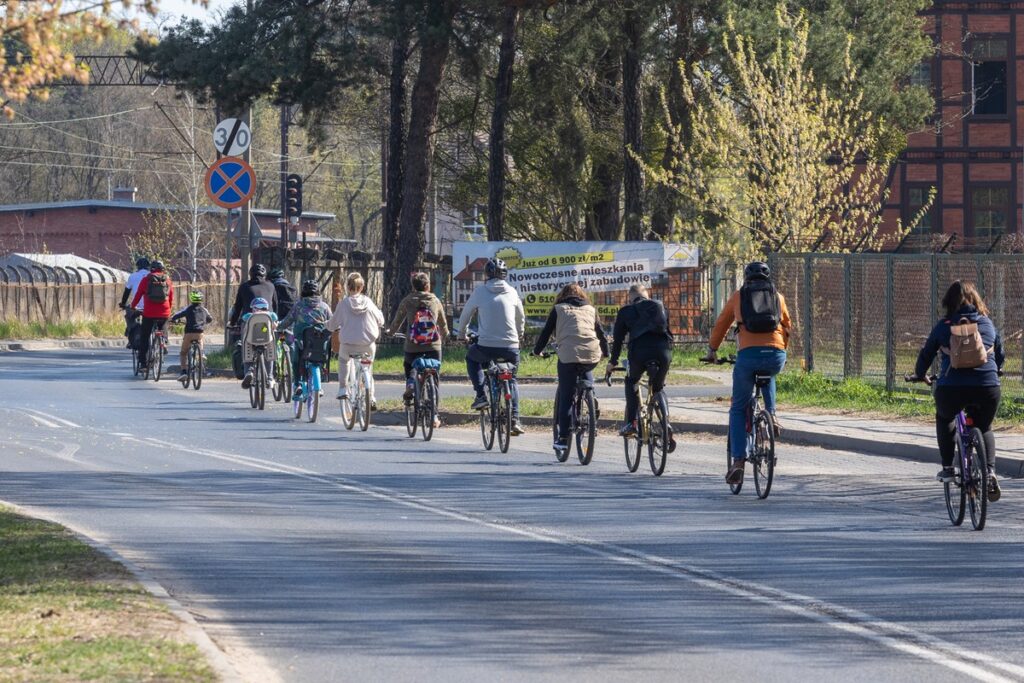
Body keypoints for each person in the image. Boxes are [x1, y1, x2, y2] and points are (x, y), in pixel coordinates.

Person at [909, 281, 1004, 501]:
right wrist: (997, 369)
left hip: (952, 388)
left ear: (948, 302)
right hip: (987, 387)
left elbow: (926, 354)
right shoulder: (987, 323)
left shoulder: (944, 326)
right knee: (985, 427)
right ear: (976, 300)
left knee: (944, 417)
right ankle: (989, 471)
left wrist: (920, 374)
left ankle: (948, 468)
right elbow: (999, 352)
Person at [703, 261, 792, 486]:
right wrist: (781, 350)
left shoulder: (738, 296)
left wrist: (713, 349)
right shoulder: (778, 297)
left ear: (746, 278)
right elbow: (788, 326)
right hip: (776, 354)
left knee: (738, 408)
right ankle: (771, 415)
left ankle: (738, 463)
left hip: (748, 356)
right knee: (768, 375)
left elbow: (722, 323)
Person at [532, 283, 609, 451]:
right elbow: (601, 333)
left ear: (562, 296)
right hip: (591, 353)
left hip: (568, 355)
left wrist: (537, 351)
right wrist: (607, 353)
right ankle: (592, 404)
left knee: (566, 395)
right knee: (586, 372)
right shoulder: (591, 309)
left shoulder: (558, 309)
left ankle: (563, 438)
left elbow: (546, 333)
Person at [458, 258, 526, 436]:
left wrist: (461, 334)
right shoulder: (512, 292)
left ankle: (481, 395)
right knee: (512, 379)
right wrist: (519, 334)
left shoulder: (480, 291)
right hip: (511, 347)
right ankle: (515, 419)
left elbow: (466, 314)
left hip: (486, 346)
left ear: (486, 275)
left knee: (472, 359)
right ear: (505, 275)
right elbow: (520, 316)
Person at [608, 283, 674, 439]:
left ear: (630, 297)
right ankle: (666, 422)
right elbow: (669, 334)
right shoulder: (660, 307)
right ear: (647, 295)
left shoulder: (626, 311)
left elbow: (618, 340)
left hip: (639, 353)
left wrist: (613, 362)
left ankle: (631, 423)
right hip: (663, 352)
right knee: (658, 388)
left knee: (631, 381)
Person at [388, 271, 450, 404]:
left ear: (413, 286)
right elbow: (443, 324)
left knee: (409, 366)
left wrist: (390, 332)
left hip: (413, 345)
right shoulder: (435, 301)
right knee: (435, 375)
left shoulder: (408, 301)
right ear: (428, 285)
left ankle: (410, 384)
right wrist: (446, 336)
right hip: (433, 346)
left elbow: (397, 321)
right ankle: (434, 414)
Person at [327, 272, 384, 404]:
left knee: (343, 361)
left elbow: (333, 324)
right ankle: (371, 397)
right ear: (362, 287)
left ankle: (342, 388)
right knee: (368, 367)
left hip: (348, 344)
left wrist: (327, 325)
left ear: (347, 287)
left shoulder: (343, 304)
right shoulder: (369, 303)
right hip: (368, 344)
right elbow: (380, 320)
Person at [279, 279, 333, 400]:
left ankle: (297, 383)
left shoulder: (299, 306)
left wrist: (278, 326)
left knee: (296, 360)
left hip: (302, 343)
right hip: (320, 344)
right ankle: (320, 377)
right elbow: (333, 322)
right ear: (318, 292)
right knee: (321, 355)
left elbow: (287, 321)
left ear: (303, 293)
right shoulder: (324, 307)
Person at [130, 260, 174, 370]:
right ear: (163, 269)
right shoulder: (167, 280)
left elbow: (138, 294)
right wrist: (169, 309)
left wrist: (133, 306)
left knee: (145, 337)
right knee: (163, 327)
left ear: (151, 269)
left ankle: (143, 364)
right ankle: (163, 343)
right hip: (164, 312)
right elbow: (171, 296)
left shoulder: (146, 279)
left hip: (149, 312)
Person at [170, 290, 214, 381]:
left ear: (191, 299)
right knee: (200, 339)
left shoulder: (188, 309)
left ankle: (184, 372)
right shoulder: (204, 309)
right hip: (199, 332)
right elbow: (210, 319)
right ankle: (201, 353)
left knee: (183, 353)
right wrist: (204, 321)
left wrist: (173, 319)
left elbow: (177, 315)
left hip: (189, 333)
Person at [240, 297, 279, 389]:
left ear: (254, 308)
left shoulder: (249, 315)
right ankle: (269, 377)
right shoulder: (271, 315)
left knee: (247, 354)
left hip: (251, 341)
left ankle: (249, 371)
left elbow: (243, 318)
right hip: (267, 340)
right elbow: (275, 322)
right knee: (269, 357)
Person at [229, 264, 278, 329]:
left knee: (240, 335)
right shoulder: (271, 286)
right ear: (264, 275)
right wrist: (275, 321)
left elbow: (238, 307)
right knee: (277, 336)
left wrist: (232, 323)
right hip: (267, 325)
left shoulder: (244, 287)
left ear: (251, 274)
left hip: (249, 326)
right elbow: (275, 306)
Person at [120, 256, 149, 348]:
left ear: (137, 266)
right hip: (150, 306)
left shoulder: (132, 276)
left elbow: (127, 291)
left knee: (129, 317)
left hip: (135, 306)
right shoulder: (152, 276)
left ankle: (130, 337)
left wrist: (123, 303)